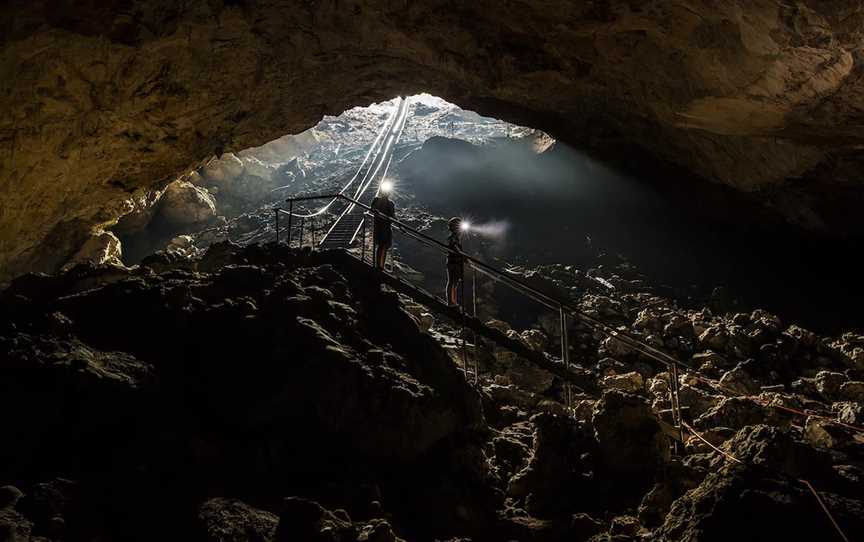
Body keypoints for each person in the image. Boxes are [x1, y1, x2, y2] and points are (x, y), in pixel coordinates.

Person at [370, 182, 395, 269]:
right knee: (381, 245)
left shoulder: (391, 203)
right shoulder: (376, 200)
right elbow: (372, 209)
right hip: (381, 226)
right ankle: (379, 265)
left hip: (386, 227)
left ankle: (381, 265)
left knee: (384, 246)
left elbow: (393, 216)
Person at [446, 217, 465, 306]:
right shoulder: (452, 237)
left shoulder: (456, 238)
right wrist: (462, 255)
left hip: (456, 262)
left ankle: (453, 301)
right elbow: (455, 247)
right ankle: (451, 302)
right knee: (452, 282)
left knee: (455, 283)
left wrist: (464, 258)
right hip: (453, 262)